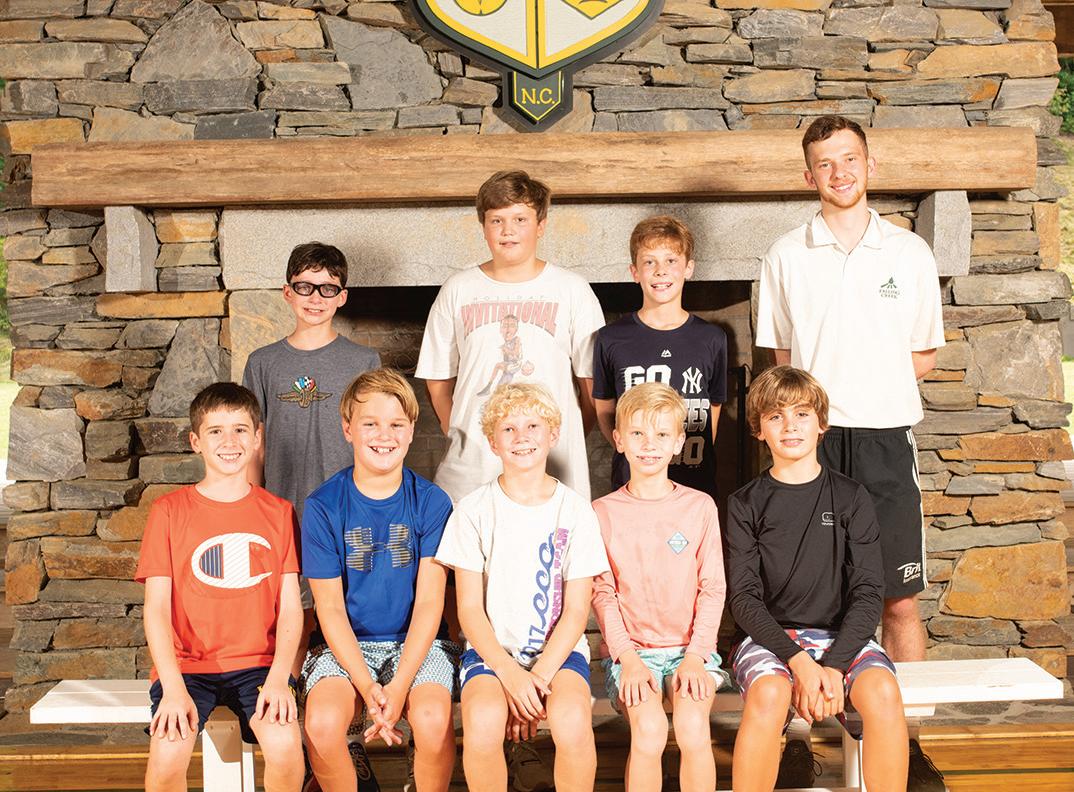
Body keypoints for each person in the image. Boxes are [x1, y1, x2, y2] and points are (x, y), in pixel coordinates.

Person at [754, 115, 945, 790]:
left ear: (869, 164)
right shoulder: (785, 255)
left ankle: (907, 745)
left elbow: (922, 355)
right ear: (808, 175)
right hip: (811, 445)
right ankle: (794, 744)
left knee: (897, 601)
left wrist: (868, 388)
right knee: (797, 602)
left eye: (850, 159)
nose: (840, 172)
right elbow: (782, 363)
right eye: (825, 163)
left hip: (886, 441)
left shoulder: (909, 253)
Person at [726, 366, 908, 792]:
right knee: (770, 693)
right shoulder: (745, 503)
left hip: (841, 638)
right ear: (759, 430)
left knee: (882, 691)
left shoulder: (851, 497)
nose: (790, 425)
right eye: (775, 416)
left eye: (801, 414)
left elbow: (868, 593)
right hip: (769, 639)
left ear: (821, 424)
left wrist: (835, 665)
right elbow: (744, 600)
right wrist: (799, 661)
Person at [242, 241, 381, 789]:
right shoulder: (264, 363)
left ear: (342, 296)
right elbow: (252, 444)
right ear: (287, 292)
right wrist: (255, 510)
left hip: (348, 516)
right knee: (294, 630)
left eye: (327, 288)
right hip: (285, 514)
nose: (315, 297)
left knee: (344, 627)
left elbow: (376, 434)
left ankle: (348, 743)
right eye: (305, 286)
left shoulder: (362, 361)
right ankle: (299, 749)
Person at [435, 383, 611, 792]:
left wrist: (538, 677)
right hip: (492, 654)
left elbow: (576, 610)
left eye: (533, 426)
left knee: (571, 721)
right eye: (508, 429)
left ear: (553, 434)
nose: (521, 437)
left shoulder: (575, 510)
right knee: (483, 722)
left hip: (558, 656)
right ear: (492, 442)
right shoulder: (472, 510)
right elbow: (469, 610)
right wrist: (511, 675)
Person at [136, 382, 304, 792]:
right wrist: (172, 688)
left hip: (260, 665)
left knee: (285, 748)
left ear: (258, 437)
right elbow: (156, 610)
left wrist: (280, 677)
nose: (229, 441)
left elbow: (290, 607)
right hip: (188, 668)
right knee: (167, 755)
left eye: (240, 429)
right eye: (216, 431)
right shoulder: (168, 512)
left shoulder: (280, 513)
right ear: (196, 441)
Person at [300, 369, 459, 792]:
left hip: (418, 642)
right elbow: (330, 608)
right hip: (345, 644)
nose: (383, 435)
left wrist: (400, 684)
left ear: (411, 431)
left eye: (396, 424)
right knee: (322, 722)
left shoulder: (432, 502)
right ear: (347, 429)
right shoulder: (323, 506)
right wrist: (368, 685)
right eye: (370, 423)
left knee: (431, 719)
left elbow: (430, 603)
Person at [416, 170, 606, 503]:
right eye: (496, 220)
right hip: (472, 469)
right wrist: (464, 434)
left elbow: (592, 387)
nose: (508, 230)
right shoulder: (458, 289)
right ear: (483, 226)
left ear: (541, 225)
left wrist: (561, 439)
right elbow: (438, 381)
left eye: (520, 219)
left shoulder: (572, 290)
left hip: (552, 466)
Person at [591, 382, 728, 792]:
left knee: (692, 728)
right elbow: (602, 594)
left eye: (662, 434)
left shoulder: (700, 507)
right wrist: (628, 659)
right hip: (632, 654)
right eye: (637, 433)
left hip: (691, 651)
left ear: (679, 442)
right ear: (619, 440)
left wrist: (696, 656)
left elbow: (713, 588)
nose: (649, 444)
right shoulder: (602, 512)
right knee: (650, 731)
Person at [593, 216, 727, 502]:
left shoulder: (711, 338)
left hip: (695, 480)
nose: (660, 271)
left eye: (671, 261)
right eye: (649, 262)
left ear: (689, 268)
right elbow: (604, 408)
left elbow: (713, 406)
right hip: (634, 481)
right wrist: (637, 452)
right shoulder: (611, 338)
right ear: (634, 272)